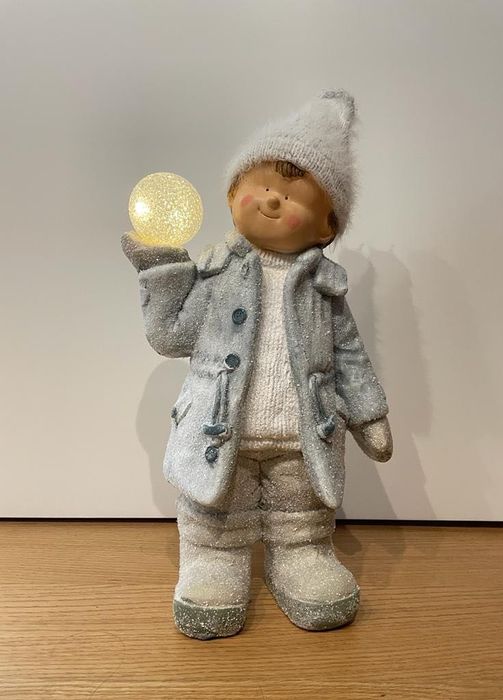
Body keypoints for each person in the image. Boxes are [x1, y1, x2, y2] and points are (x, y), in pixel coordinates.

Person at [122, 89, 393, 640]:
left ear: (326, 228)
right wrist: (163, 267)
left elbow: (348, 354)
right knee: (216, 505)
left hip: (303, 434)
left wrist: (368, 414)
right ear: (231, 196)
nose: (272, 201)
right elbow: (172, 335)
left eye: (292, 196)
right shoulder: (215, 274)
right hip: (221, 430)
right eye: (262, 186)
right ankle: (213, 559)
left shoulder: (324, 290)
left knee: (302, 510)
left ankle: (301, 553)